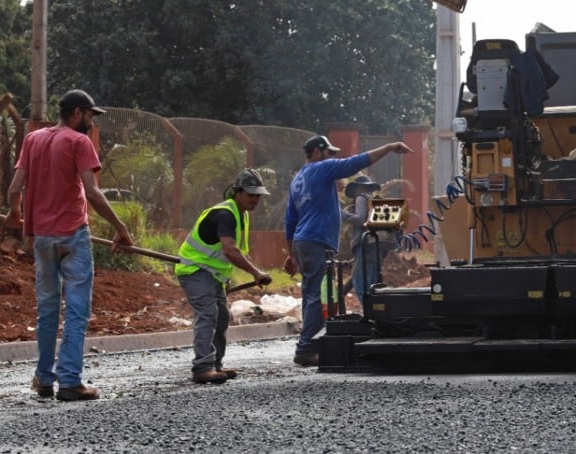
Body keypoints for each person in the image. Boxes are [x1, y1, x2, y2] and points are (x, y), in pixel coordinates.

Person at [3, 89, 135, 402]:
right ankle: (70, 381)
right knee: (76, 310)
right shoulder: (78, 142)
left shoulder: (33, 139)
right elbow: (93, 193)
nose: (91, 122)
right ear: (77, 113)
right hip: (73, 236)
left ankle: (44, 379)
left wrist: (15, 213)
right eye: (90, 116)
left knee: (47, 310)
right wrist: (122, 229)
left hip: (42, 238)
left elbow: (15, 188)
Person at [284, 135, 412, 366]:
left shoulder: (298, 179)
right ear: (316, 153)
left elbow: (290, 220)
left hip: (303, 243)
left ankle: (308, 345)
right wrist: (389, 147)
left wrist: (290, 254)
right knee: (316, 297)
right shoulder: (320, 168)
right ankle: (305, 348)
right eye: (329, 153)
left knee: (311, 295)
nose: (332, 158)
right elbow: (355, 163)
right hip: (316, 241)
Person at [175, 169, 273, 383]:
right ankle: (203, 367)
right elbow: (230, 250)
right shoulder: (226, 214)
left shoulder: (240, 215)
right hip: (195, 270)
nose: (255, 199)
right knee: (208, 315)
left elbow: (231, 254)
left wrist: (226, 280)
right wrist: (255, 272)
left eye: (258, 195)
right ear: (238, 193)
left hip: (213, 275)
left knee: (221, 317)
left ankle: (215, 365)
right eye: (251, 194)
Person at [340, 174, 388, 306]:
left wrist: (344, 215)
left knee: (359, 280)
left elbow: (360, 219)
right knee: (372, 281)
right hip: (375, 244)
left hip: (364, 243)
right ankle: (375, 309)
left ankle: (368, 309)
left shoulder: (361, 198)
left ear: (359, 188)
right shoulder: (372, 199)